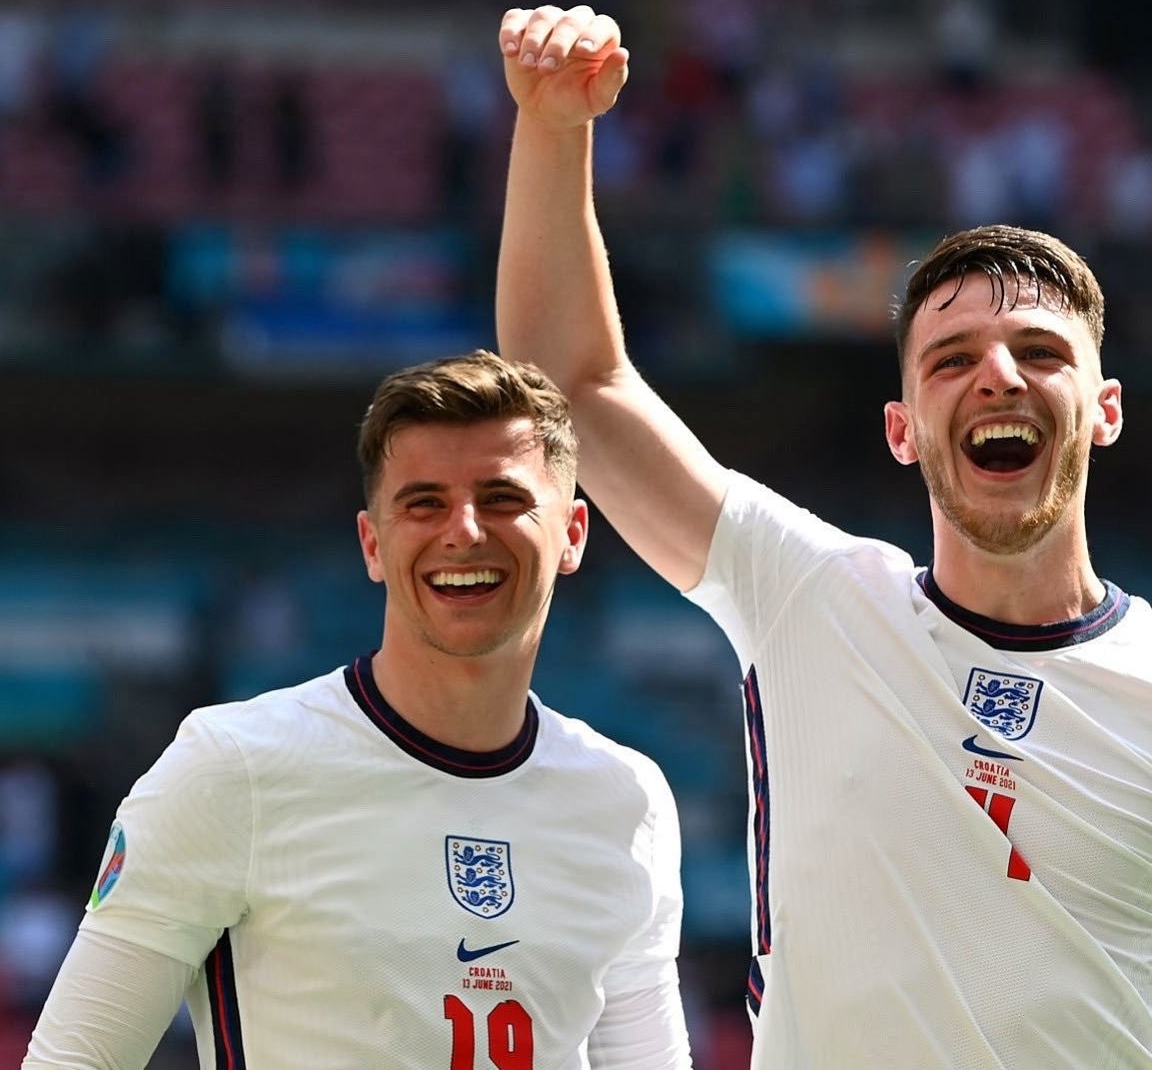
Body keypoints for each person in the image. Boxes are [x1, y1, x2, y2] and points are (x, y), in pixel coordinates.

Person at [493, 5, 1152, 1070]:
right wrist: (553, 127)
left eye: (1039, 350)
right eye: (951, 358)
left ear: (1104, 409)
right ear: (901, 429)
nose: (998, 375)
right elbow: (573, 383)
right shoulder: (805, 594)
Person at [23, 350, 693, 1070]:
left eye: (502, 498)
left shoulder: (628, 798)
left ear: (572, 534)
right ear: (373, 544)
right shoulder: (232, 766)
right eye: (424, 503)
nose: (464, 531)